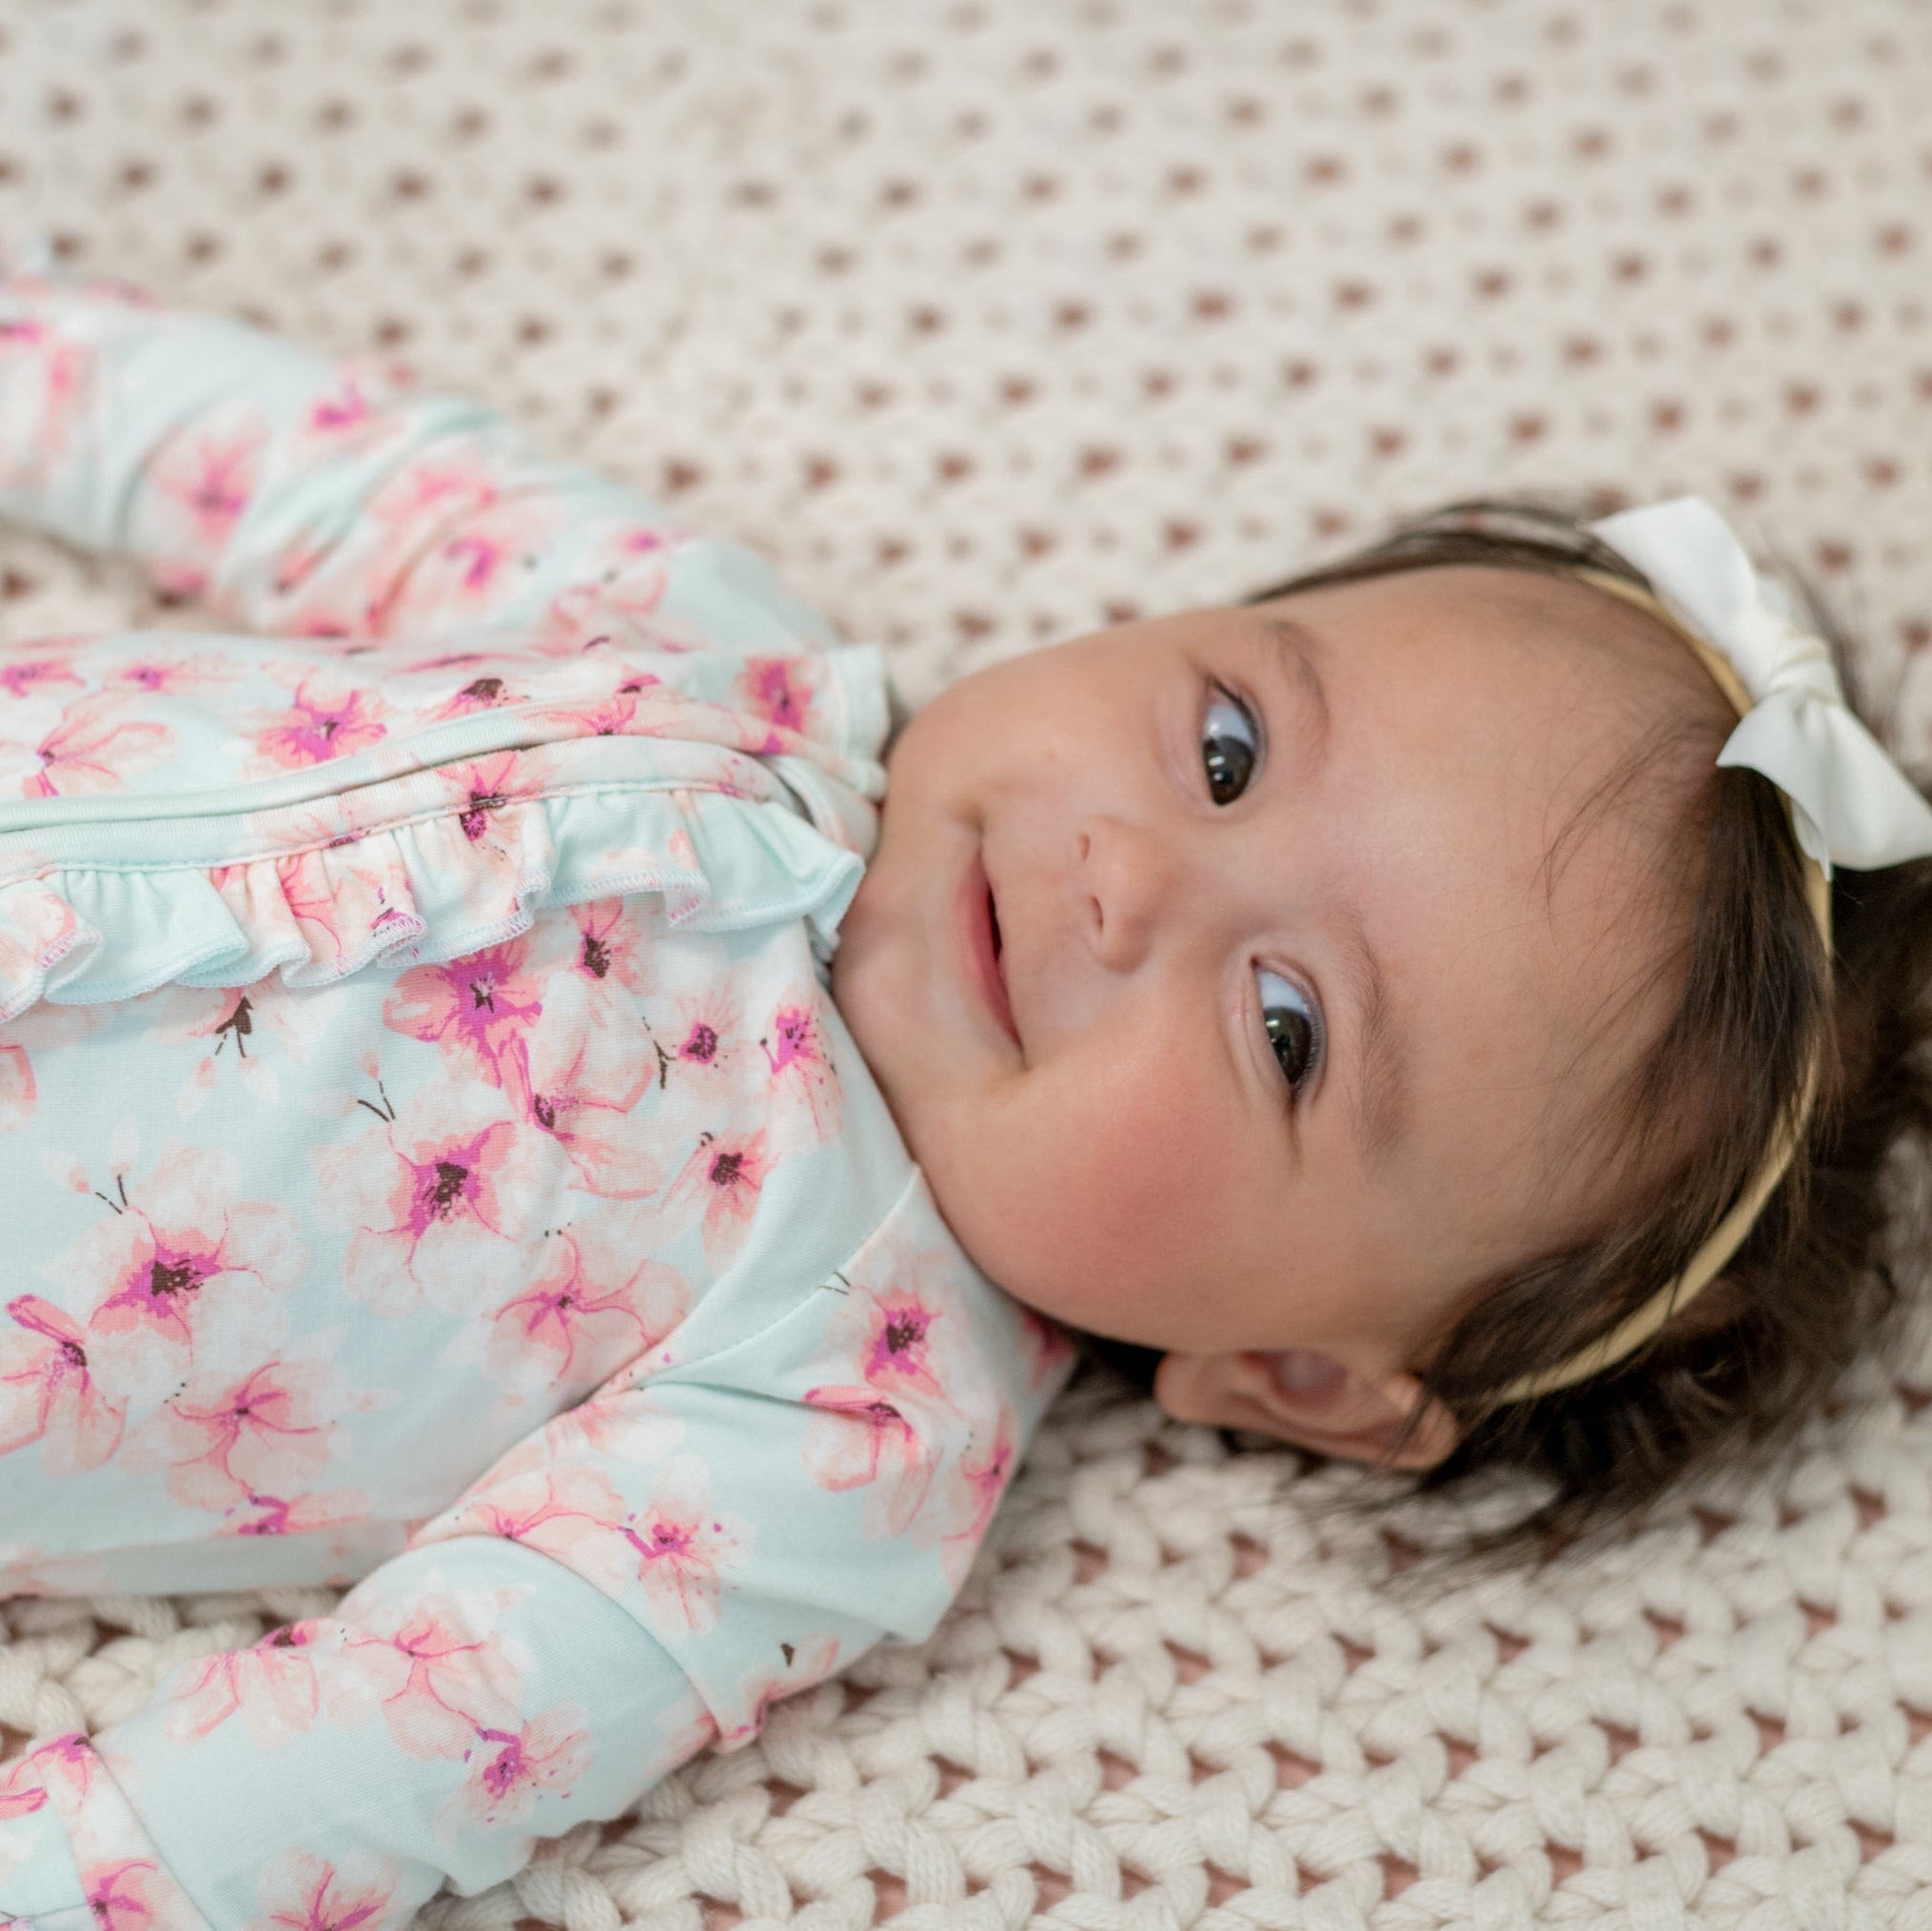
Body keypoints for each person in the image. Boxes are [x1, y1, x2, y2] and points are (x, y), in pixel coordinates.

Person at [0, 257, 1927, 1928]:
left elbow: (381, 1744)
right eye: (1229, 745)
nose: (1132, 875)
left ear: (1307, 1376)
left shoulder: (834, 1424)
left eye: (1285, 1027)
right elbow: (315, 473)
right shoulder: (719, 644)